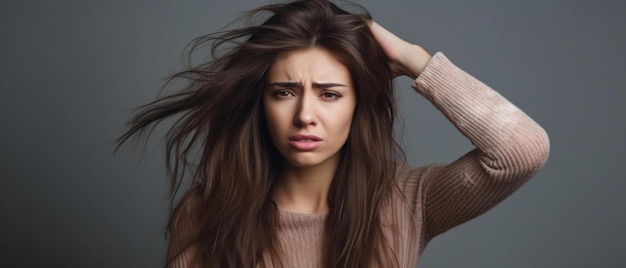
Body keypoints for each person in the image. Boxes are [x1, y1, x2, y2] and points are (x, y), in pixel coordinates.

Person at [118, 0, 550, 267]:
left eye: (329, 94)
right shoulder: (210, 209)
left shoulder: (405, 201)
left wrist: (417, 61)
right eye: (284, 92)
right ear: (262, 102)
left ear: (357, 104)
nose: (305, 114)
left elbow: (521, 149)